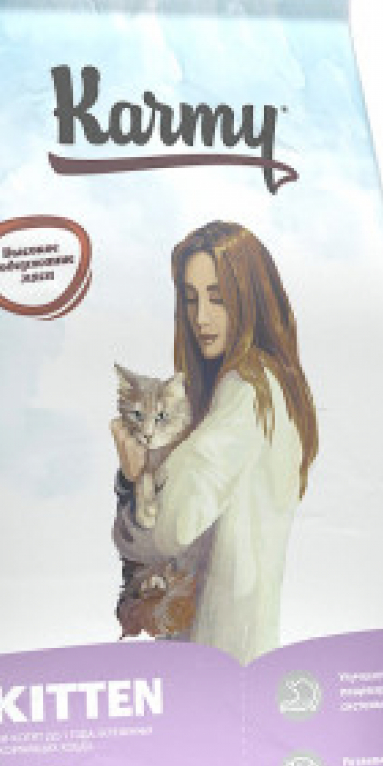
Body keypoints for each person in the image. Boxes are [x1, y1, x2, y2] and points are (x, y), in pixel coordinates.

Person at [112, 220, 318, 665]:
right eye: (191, 299)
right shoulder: (272, 388)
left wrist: (132, 481)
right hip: (239, 644)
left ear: (251, 299)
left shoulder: (247, 391)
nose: (201, 317)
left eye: (218, 298)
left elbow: (168, 529)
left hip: (217, 652)